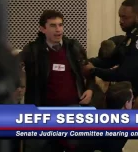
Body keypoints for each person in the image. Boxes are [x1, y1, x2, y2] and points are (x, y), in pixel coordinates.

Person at [20, 10, 97, 152]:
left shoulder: (73, 47)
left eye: (61, 25)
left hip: (71, 109)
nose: (58, 29)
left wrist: (90, 89)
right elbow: (16, 69)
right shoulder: (32, 50)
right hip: (42, 111)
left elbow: (89, 72)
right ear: (42, 29)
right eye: (53, 25)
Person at [85, 0, 138, 97]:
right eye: (120, 17)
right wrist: (89, 62)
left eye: (125, 17)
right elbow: (111, 60)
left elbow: (124, 74)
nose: (121, 21)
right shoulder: (132, 34)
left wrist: (93, 70)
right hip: (135, 91)